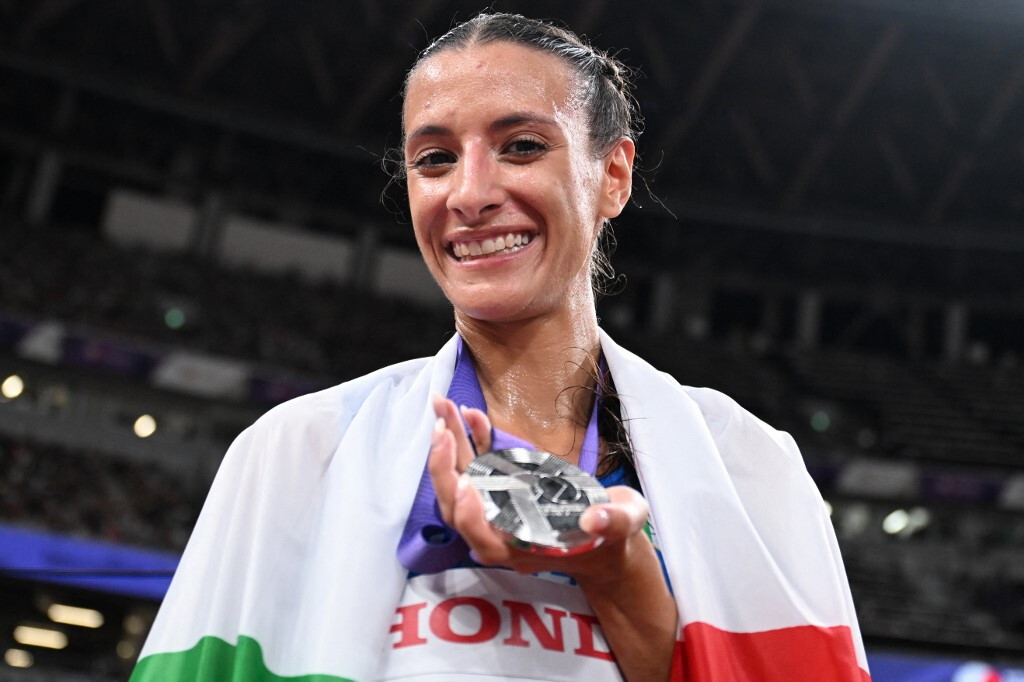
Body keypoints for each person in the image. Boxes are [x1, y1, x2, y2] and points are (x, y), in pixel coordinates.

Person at [132, 12, 870, 682]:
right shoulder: (297, 452)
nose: (470, 193)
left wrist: (619, 575)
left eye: (521, 147)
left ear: (614, 175)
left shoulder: (750, 467)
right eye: (434, 159)